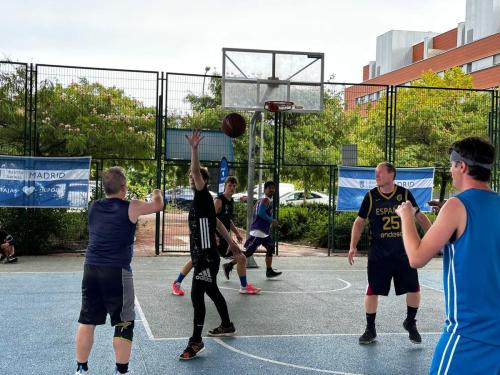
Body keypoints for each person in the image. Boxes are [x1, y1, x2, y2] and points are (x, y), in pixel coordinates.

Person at [395, 137, 499, 375]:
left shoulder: (456, 206)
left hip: (469, 336)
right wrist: (445, 218)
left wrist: (406, 217)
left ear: (462, 166)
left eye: (452, 165)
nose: (451, 171)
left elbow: (417, 257)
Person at [75, 167, 164, 375]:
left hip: (91, 268)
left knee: (87, 320)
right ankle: (121, 371)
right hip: (117, 271)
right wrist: (157, 192)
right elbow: (158, 205)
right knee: (124, 321)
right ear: (123, 187)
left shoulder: (93, 206)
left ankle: (81, 369)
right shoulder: (130, 207)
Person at [348, 162, 432, 345]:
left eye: (379, 173)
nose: (376, 176)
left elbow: (419, 216)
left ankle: (410, 322)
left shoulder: (404, 195)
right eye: (375, 173)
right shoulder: (371, 196)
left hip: (404, 253)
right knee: (372, 290)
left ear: (391, 175)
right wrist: (352, 246)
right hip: (379, 254)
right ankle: (370, 328)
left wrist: (435, 238)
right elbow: (359, 222)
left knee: (414, 288)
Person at [180, 130, 240, 360]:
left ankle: (195, 342)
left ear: (204, 181)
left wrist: (194, 149)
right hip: (202, 256)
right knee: (212, 291)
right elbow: (216, 223)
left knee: (197, 296)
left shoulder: (204, 196)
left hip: (206, 258)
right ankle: (227, 324)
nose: (193, 179)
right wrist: (231, 243)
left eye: (197, 178)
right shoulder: (200, 203)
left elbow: (195, 171)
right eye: (192, 178)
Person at [171, 176, 259, 295]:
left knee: (241, 258)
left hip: (223, 240)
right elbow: (210, 219)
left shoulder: (230, 201)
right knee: (195, 260)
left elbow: (227, 220)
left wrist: (237, 233)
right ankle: (177, 283)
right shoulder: (219, 201)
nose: (232, 188)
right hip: (212, 239)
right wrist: (214, 235)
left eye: (234, 186)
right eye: (229, 185)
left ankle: (243, 286)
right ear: (225, 186)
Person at [223, 180, 282, 281]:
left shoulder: (263, 200)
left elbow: (258, 212)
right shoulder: (265, 200)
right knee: (248, 253)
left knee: (271, 247)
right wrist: (271, 220)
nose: (272, 190)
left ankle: (269, 270)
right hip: (258, 232)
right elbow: (260, 213)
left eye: (273, 188)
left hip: (263, 232)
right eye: (269, 188)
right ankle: (228, 265)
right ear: (265, 189)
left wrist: (269, 222)